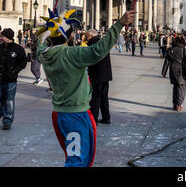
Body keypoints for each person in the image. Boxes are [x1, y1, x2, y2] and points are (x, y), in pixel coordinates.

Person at [37, 9, 134, 167]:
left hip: (60, 113)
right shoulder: (71, 54)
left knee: (77, 156)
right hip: (75, 114)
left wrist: (44, 34)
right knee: (77, 160)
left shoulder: (45, 55)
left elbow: (39, 47)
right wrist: (119, 24)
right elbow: (98, 50)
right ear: (68, 35)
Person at [0, 29, 27, 130]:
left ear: (8, 37)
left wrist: (15, 70)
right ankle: (2, 112)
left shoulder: (18, 49)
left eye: (3, 36)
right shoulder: (0, 47)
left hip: (10, 80)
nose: (1, 38)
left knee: (9, 101)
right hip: (0, 78)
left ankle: (7, 120)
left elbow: (23, 61)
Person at [86, 29, 113, 125]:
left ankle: (94, 119)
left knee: (95, 98)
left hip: (97, 75)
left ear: (90, 36)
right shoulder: (102, 43)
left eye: (86, 36)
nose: (85, 38)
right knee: (104, 97)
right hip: (106, 74)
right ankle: (106, 118)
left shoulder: (92, 44)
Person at [162, 37, 186, 111]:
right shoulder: (183, 50)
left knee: (175, 88)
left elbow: (166, 62)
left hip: (173, 71)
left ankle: (175, 104)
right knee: (182, 88)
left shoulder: (170, 50)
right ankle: (179, 104)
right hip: (181, 71)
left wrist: (164, 72)